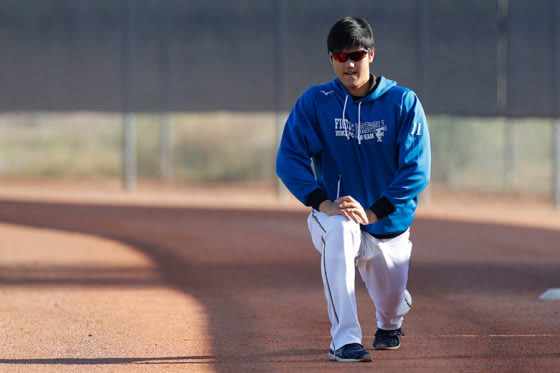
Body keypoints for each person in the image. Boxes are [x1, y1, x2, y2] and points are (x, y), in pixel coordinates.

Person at [276, 16, 431, 362]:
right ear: (332, 59)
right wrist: (323, 202)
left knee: (390, 306)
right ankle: (344, 339)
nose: (349, 64)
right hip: (337, 214)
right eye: (340, 56)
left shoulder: (403, 103)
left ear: (371, 55)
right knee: (342, 228)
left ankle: (391, 316)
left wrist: (376, 211)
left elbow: (416, 170)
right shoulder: (317, 102)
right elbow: (288, 158)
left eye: (356, 55)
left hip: (387, 224)